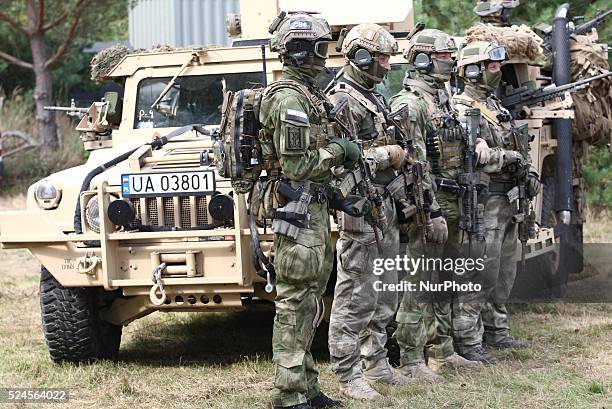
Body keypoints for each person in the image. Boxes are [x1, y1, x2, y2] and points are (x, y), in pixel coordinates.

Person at [259, 12, 361, 409]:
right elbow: (298, 166)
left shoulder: (306, 94)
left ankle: (306, 388)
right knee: (294, 302)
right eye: (320, 47)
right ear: (304, 50)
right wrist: (341, 151)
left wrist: (338, 198)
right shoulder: (288, 98)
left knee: (311, 302)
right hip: (297, 215)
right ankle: (286, 394)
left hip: (312, 210)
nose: (324, 55)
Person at [389, 29, 482, 379]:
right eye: (444, 56)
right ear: (424, 59)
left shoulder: (444, 100)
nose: (451, 61)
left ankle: (442, 351)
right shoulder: (411, 104)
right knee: (419, 284)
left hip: (452, 197)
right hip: (429, 205)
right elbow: (415, 164)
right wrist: (432, 211)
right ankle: (411, 359)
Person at [325, 23, 411, 401]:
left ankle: (376, 362)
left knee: (383, 290)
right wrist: (384, 155)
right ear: (359, 57)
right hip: (359, 210)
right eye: (381, 58)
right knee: (355, 292)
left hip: (384, 205)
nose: (387, 66)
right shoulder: (341, 100)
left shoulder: (372, 97)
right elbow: (333, 162)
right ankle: (348, 374)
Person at [451, 41, 541, 363]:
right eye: (490, 66)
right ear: (471, 70)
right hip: (484, 201)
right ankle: (467, 339)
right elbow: (478, 158)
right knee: (480, 273)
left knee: (504, 273)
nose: (497, 70)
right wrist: (511, 158)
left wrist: (526, 169)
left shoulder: (496, 107)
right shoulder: (462, 109)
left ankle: (497, 331)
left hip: (506, 201)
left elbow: (512, 146)